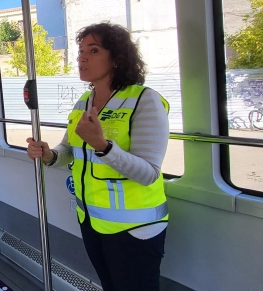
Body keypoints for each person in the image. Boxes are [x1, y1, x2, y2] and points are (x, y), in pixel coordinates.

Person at [25, 23, 170, 291]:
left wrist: (103, 145)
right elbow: (69, 151)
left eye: (93, 50)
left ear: (117, 58)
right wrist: (49, 155)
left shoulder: (144, 100)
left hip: (135, 229)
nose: (81, 57)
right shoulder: (83, 102)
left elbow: (149, 172)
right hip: (91, 221)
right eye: (80, 51)